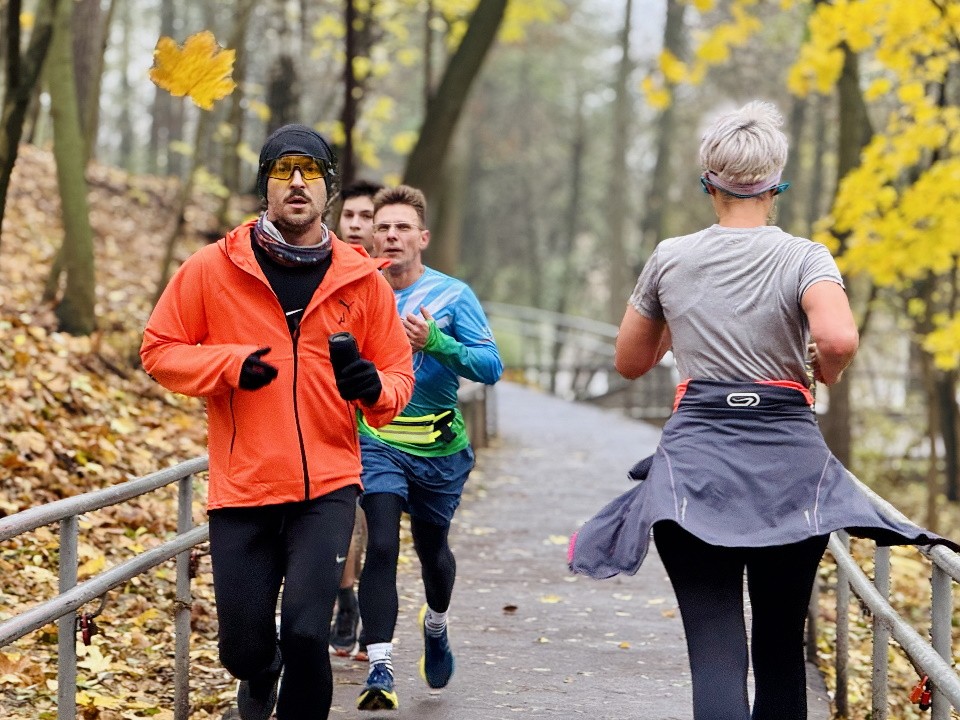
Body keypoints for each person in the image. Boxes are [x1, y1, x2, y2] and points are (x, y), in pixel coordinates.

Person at [568, 101, 958, 720]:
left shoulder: (671, 257)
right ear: (777, 183)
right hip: (787, 466)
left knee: (716, 654)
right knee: (779, 649)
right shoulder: (807, 258)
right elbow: (838, 339)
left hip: (697, 465)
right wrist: (823, 373)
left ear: (708, 183)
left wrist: (682, 320)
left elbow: (630, 361)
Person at [140, 124, 415, 720]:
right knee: (245, 650)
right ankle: (259, 674)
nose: (297, 182)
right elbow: (159, 349)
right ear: (264, 185)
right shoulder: (212, 269)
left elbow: (396, 376)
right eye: (283, 170)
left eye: (310, 171)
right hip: (244, 488)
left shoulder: (361, 279)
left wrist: (375, 388)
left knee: (307, 634)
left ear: (330, 189)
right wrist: (229, 363)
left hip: (327, 487)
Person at [355, 185, 503, 711]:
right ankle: (380, 666)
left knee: (432, 550)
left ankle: (436, 623)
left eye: (401, 228)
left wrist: (436, 343)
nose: (391, 235)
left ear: (422, 237)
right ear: (372, 235)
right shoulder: (356, 289)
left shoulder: (453, 295)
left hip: (439, 446)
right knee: (381, 546)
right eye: (383, 227)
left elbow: (491, 368)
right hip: (376, 439)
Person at [330, 178, 384, 659]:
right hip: (330, 423)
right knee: (347, 520)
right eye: (348, 216)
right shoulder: (321, 271)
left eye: (365, 218)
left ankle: (364, 609)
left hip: (381, 425)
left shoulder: (387, 281)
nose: (355, 225)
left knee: (373, 522)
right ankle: (346, 601)